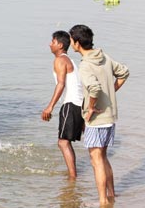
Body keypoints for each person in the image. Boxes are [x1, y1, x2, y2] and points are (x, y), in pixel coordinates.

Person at [69, 24, 129, 206]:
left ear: (77, 43)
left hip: (97, 119)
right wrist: (111, 92)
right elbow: (124, 72)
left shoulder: (86, 65)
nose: (71, 43)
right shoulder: (104, 57)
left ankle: (102, 201)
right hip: (110, 117)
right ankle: (111, 195)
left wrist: (91, 108)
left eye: (71, 40)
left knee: (96, 160)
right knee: (103, 157)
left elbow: (94, 89)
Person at [42, 30, 84, 179]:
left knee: (63, 142)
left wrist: (50, 106)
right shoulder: (70, 60)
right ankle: (74, 176)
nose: (49, 44)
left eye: (52, 42)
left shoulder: (60, 60)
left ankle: (73, 178)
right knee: (66, 141)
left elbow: (61, 84)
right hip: (79, 104)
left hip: (70, 104)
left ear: (60, 45)